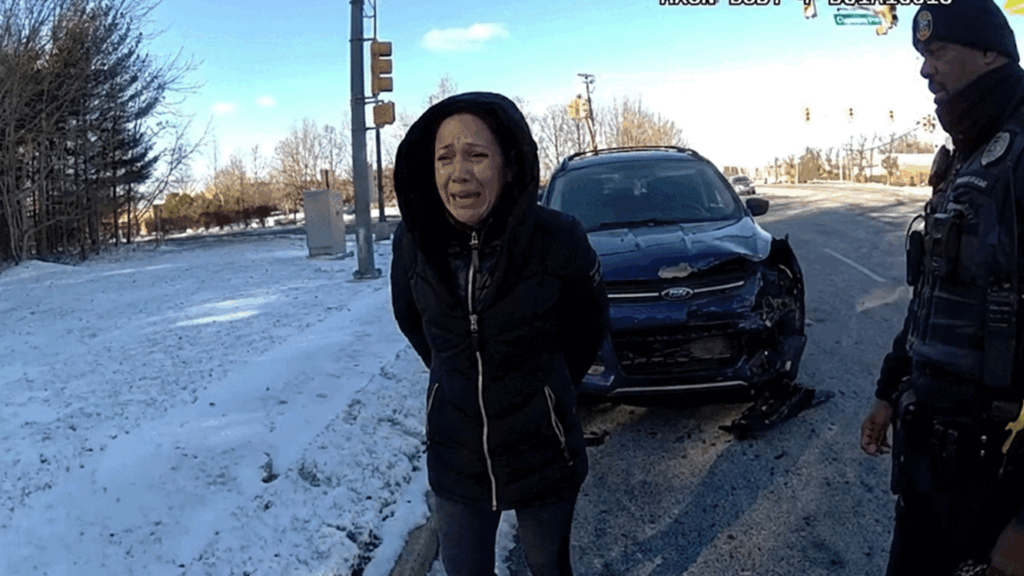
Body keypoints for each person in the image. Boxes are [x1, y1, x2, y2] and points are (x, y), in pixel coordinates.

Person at [389, 92, 609, 576]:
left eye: (477, 154)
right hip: (457, 461)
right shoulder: (412, 245)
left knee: (549, 567)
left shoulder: (559, 239)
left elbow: (587, 326)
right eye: (444, 157)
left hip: (543, 454)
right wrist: (458, 371)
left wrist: (547, 387)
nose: (459, 172)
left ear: (509, 166)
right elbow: (416, 326)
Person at [860, 2, 1024, 575]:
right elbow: (932, 296)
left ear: (990, 53)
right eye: (921, 56)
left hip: (999, 477)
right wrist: (889, 390)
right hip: (931, 466)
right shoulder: (965, 158)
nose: (925, 70)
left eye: (937, 52)